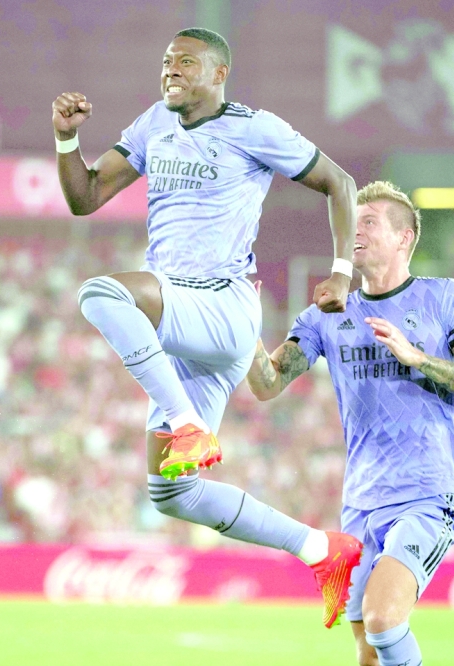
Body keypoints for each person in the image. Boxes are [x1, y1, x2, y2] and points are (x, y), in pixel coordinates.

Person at [52, 27, 362, 627]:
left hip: (221, 309)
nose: (170, 70)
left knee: (102, 293)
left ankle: (187, 421)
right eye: (166, 61)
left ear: (218, 74)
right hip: (187, 327)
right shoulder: (152, 125)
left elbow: (340, 183)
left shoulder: (255, 128)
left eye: (185, 63)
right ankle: (322, 550)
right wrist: (67, 141)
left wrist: (342, 273)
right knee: (173, 493)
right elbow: (84, 198)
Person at [246, 181, 454, 664]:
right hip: (361, 505)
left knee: (385, 619)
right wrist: (244, 329)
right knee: (367, 653)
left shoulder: (443, 299)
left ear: (404, 237)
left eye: (368, 222)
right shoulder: (327, 313)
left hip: (425, 495)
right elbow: (266, 383)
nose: (354, 231)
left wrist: (418, 357)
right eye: (351, 223)